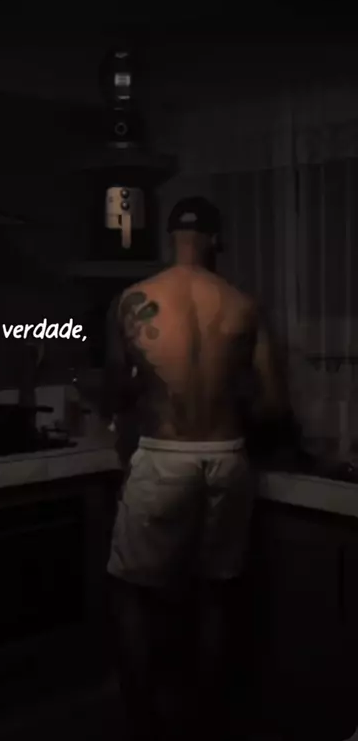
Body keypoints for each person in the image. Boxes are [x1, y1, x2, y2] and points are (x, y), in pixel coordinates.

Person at [102, 196, 292, 741]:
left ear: (172, 238)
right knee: (215, 593)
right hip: (227, 458)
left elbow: (115, 391)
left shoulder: (134, 299)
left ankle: (143, 723)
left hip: (164, 456)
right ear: (217, 240)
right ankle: (206, 721)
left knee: (133, 592)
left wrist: (146, 393)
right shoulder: (243, 306)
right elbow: (274, 407)